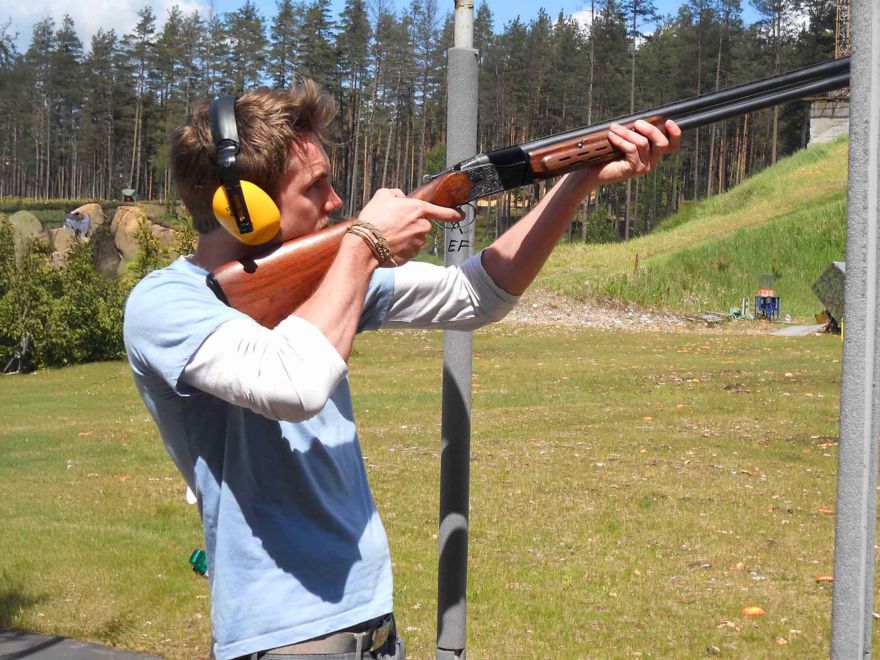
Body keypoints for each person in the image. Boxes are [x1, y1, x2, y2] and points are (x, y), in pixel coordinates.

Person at [123, 82, 680, 660]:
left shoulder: (328, 277)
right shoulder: (166, 304)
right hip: (284, 640)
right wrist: (364, 245)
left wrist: (578, 179)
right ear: (243, 209)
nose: (337, 201)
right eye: (316, 186)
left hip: (375, 631)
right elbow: (293, 385)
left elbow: (477, 295)